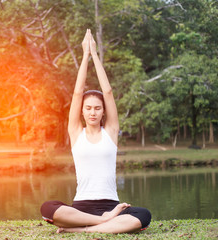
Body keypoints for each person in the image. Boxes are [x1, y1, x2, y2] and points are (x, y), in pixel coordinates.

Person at [40, 29, 151, 234]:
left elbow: (107, 92)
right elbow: (77, 92)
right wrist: (85, 56)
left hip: (112, 206)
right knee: (47, 208)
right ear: (82, 111)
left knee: (143, 215)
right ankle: (102, 223)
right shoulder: (76, 132)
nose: (93, 112)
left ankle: (81, 230)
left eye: (97, 108)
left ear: (103, 112)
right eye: (88, 108)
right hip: (81, 207)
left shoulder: (111, 131)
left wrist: (95, 55)